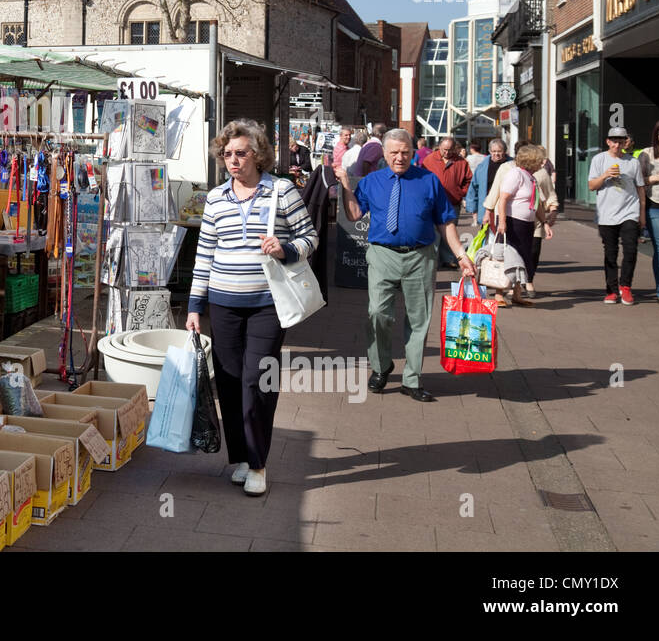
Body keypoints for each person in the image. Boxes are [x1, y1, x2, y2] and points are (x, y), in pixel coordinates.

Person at [187, 119, 318, 497]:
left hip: (267, 304)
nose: (233, 160)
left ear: (258, 154)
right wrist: (195, 306)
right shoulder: (215, 198)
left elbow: (310, 237)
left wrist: (286, 248)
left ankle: (259, 463)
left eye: (240, 153)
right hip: (222, 303)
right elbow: (204, 255)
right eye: (227, 154)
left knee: (257, 379)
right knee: (227, 382)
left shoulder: (282, 190)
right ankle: (242, 457)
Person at [335, 128, 474, 403]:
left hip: (420, 256)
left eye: (405, 153)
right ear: (384, 154)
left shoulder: (429, 181)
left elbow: (446, 221)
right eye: (394, 153)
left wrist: (461, 256)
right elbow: (353, 214)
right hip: (382, 255)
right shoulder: (372, 181)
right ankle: (381, 365)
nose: (400, 158)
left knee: (419, 320)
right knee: (377, 313)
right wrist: (346, 186)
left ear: (412, 153)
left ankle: (412, 379)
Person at [589, 126, 646, 306]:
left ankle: (626, 287)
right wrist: (605, 175)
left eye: (620, 141)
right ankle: (612, 291)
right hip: (606, 214)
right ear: (608, 142)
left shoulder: (632, 162)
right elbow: (592, 186)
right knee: (610, 253)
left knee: (630, 250)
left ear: (625, 143)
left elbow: (640, 188)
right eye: (614, 141)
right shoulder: (599, 159)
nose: (617, 144)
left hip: (629, 211)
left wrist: (642, 214)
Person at [493, 144, 554, 307]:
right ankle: (499, 293)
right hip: (512, 222)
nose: (542, 164)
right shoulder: (516, 174)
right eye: (540, 161)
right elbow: (503, 198)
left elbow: (538, 204)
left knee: (522, 258)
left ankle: (517, 293)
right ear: (531, 161)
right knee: (506, 257)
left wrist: (545, 222)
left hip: (526, 223)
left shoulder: (531, 177)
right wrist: (502, 222)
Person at [422, 138, 473, 267]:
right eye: (445, 149)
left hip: (452, 202)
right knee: (432, 231)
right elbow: (422, 178)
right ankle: (433, 259)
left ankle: (448, 259)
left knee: (450, 231)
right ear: (439, 147)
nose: (447, 152)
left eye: (450, 150)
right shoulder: (429, 160)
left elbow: (469, 180)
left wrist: (460, 193)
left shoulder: (461, 162)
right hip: (432, 202)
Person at [640, 118, 659, 304]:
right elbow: (638, 180)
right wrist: (656, 177)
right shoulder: (647, 154)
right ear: (656, 134)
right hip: (656, 207)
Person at [466, 138, 511, 226]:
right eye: (494, 151)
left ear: (505, 151)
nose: (496, 154)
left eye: (499, 151)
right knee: (489, 236)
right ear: (489, 151)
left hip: (507, 206)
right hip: (487, 206)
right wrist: (473, 209)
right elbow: (474, 188)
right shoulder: (482, 167)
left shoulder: (512, 165)